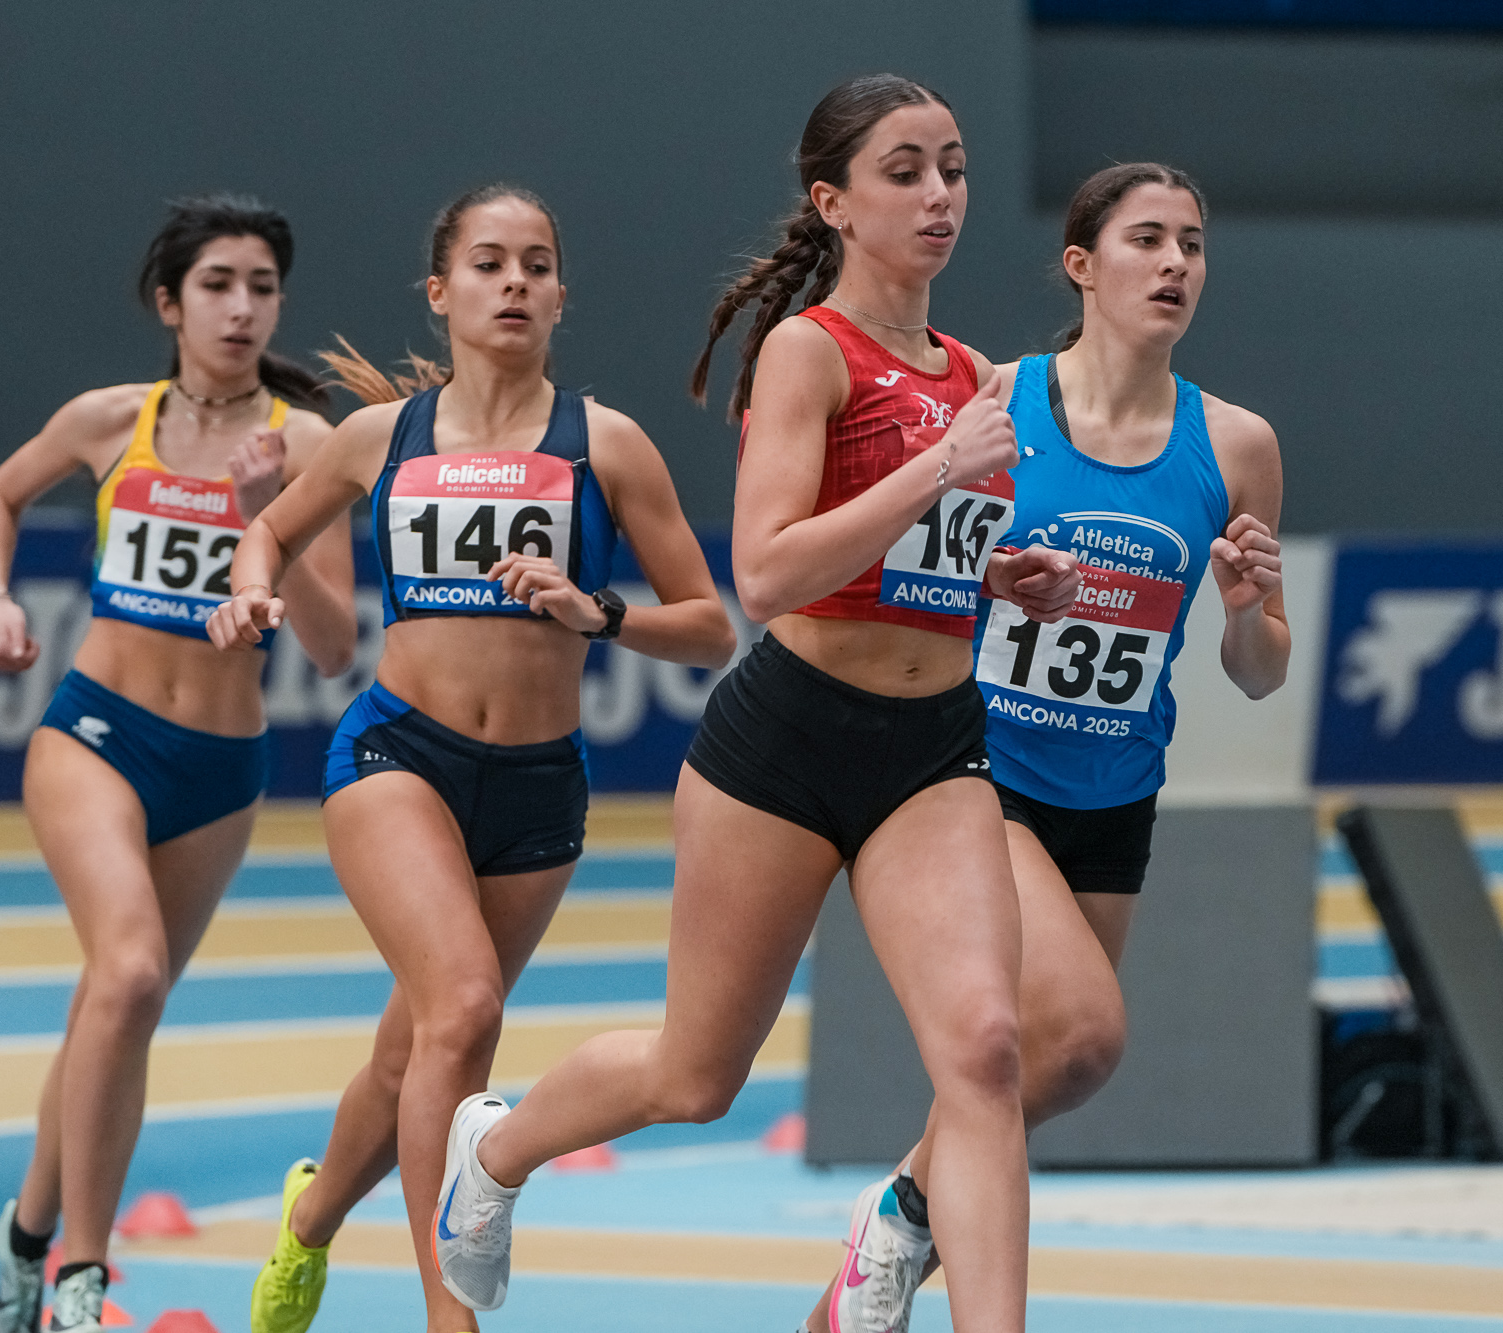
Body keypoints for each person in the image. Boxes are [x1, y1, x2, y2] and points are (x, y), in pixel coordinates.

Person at [426, 77, 1081, 1333]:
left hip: (933, 749)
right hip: (783, 745)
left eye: (951, 168)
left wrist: (1000, 574)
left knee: (986, 1050)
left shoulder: (969, 372)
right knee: (695, 1075)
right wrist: (940, 468)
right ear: (832, 202)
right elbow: (769, 574)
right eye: (903, 171)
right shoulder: (807, 352)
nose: (938, 195)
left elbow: (903, 560)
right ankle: (497, 1149)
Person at [210, 183, 737, 1333]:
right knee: (460, 1009)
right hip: (397, 753)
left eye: (535, 265)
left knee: (412, 1052)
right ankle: (448, 1318)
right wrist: (249, 590)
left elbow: (710, 627)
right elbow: (268, 529)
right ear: (441, 293)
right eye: (489, 263)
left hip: (536, 789)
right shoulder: (381, 437)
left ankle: (308, 1217)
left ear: (559, 296)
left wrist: (598, 612)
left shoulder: (606, 443)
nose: (514, 283)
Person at [817, 161, 1288, 1333]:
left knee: (1059, 1063)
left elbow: (1256, 669)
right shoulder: (991, 403)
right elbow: (906, 571)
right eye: (1145, 239)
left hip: (1113, 791)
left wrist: (1243, 611)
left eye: (1190, 243)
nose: (1173, 264)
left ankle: (897, 1215)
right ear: (1080, 265)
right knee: (1080, 1029)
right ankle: (923, 1253)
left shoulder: (1235, 445)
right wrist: (992, 580)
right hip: (977, 772)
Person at [0, 196, 356, 1333]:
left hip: (219, 768)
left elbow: (333, 645)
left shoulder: (306, 443)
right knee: (129, 975)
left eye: (261, 288)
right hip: (96, 732)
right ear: (168, 302)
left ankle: (22, 1242)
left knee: (117, 1003)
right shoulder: (109, 419)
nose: (242, 308)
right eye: (218, 284)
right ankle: (82, 1275)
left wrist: (268, 515)